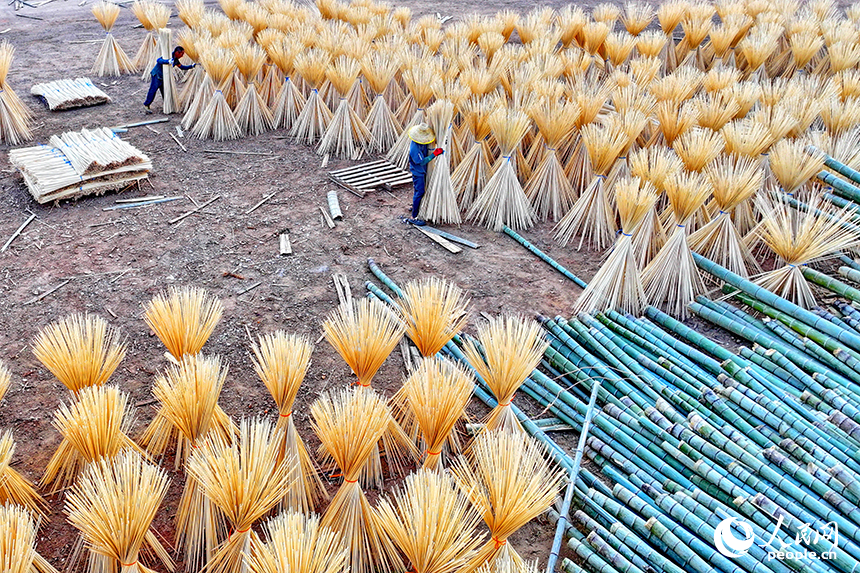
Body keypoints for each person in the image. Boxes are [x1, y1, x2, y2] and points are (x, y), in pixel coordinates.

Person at [406, 123, 443, 226]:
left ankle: (416, 207)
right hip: (418, 172)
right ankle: (413, 217)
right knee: (420, 191)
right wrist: (434, 155)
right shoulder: (414, 148)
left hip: (424, 170)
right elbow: (421, 162)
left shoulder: (423, 142)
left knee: (419, 191)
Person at [143, 46, 196, 113]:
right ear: (177, 52)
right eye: (181, 54)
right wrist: (167, 61)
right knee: (153, 91)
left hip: (164, 77)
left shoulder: (176, 60)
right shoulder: (167, 55)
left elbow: (182, 67)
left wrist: (192, 66)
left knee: (166, 92)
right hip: (157, 75)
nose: (182, 56)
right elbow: (159, 60)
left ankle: (167, 106)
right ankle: (146, 105)